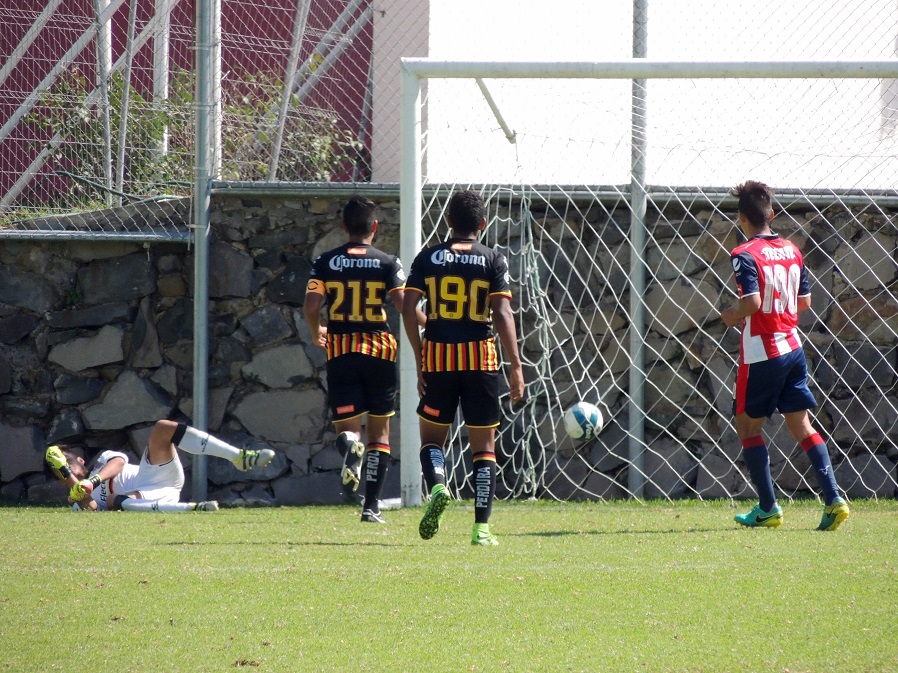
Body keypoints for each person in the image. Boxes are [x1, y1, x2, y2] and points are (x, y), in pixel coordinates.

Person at [720, 180, 849, 531]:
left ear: (742, 219)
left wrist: (731, 314)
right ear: (772, 215)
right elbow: (804, 302)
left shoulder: (743, 254)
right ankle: (834, 499)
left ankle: (768, 508)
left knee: (747, 425)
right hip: (793, 346)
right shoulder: (792, 249)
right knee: (801, 423)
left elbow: (752, 303)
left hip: (762, 350)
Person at [401, 189, 525, 546]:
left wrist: (419, 354)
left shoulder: (428, 257)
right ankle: (481, 530)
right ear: (482, 225)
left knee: (430, 440)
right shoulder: (492, 259)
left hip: (439, 356)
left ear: (449, 221)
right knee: (484, 447)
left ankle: (438, 485)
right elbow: (502, 314)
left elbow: (409, 307)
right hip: (481, 360)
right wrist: (515, 366)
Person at [303, 195, 419, 523]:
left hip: (341, 350)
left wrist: (316, 332)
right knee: (380, 434)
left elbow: (311, 307)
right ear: (375, 227)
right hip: (380, 350)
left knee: (349, 431)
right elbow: (403, 305)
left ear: (344, 227)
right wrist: (430, 323)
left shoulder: (326, 262)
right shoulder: (387, 262)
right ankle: (371, 507)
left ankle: (350, 449)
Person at [45, 419, 275, 511]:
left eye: (66, 462)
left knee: (163, 428)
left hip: (157, 476)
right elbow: (91, 508)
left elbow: (119, 462)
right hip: (149, 498)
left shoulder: (103, 459)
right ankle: (193, 509)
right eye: (60, 470)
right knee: (115, 501)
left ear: (81, 460)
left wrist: (91, 481)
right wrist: (70, 479)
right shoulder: (76, 500)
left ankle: (238, 457)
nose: (65, 468)